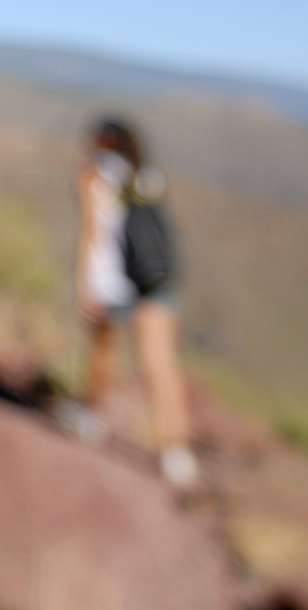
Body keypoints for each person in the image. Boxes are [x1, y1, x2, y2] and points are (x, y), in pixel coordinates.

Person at [72, 116, 197, 490]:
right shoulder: (148, 178)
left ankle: (93, 418)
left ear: (102, 141)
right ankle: (176, 451)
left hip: (112, 282)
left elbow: (93, 233)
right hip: (155, 280)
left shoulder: (93, 176)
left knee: (102, 350)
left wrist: (84, 283)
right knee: (161, 366)